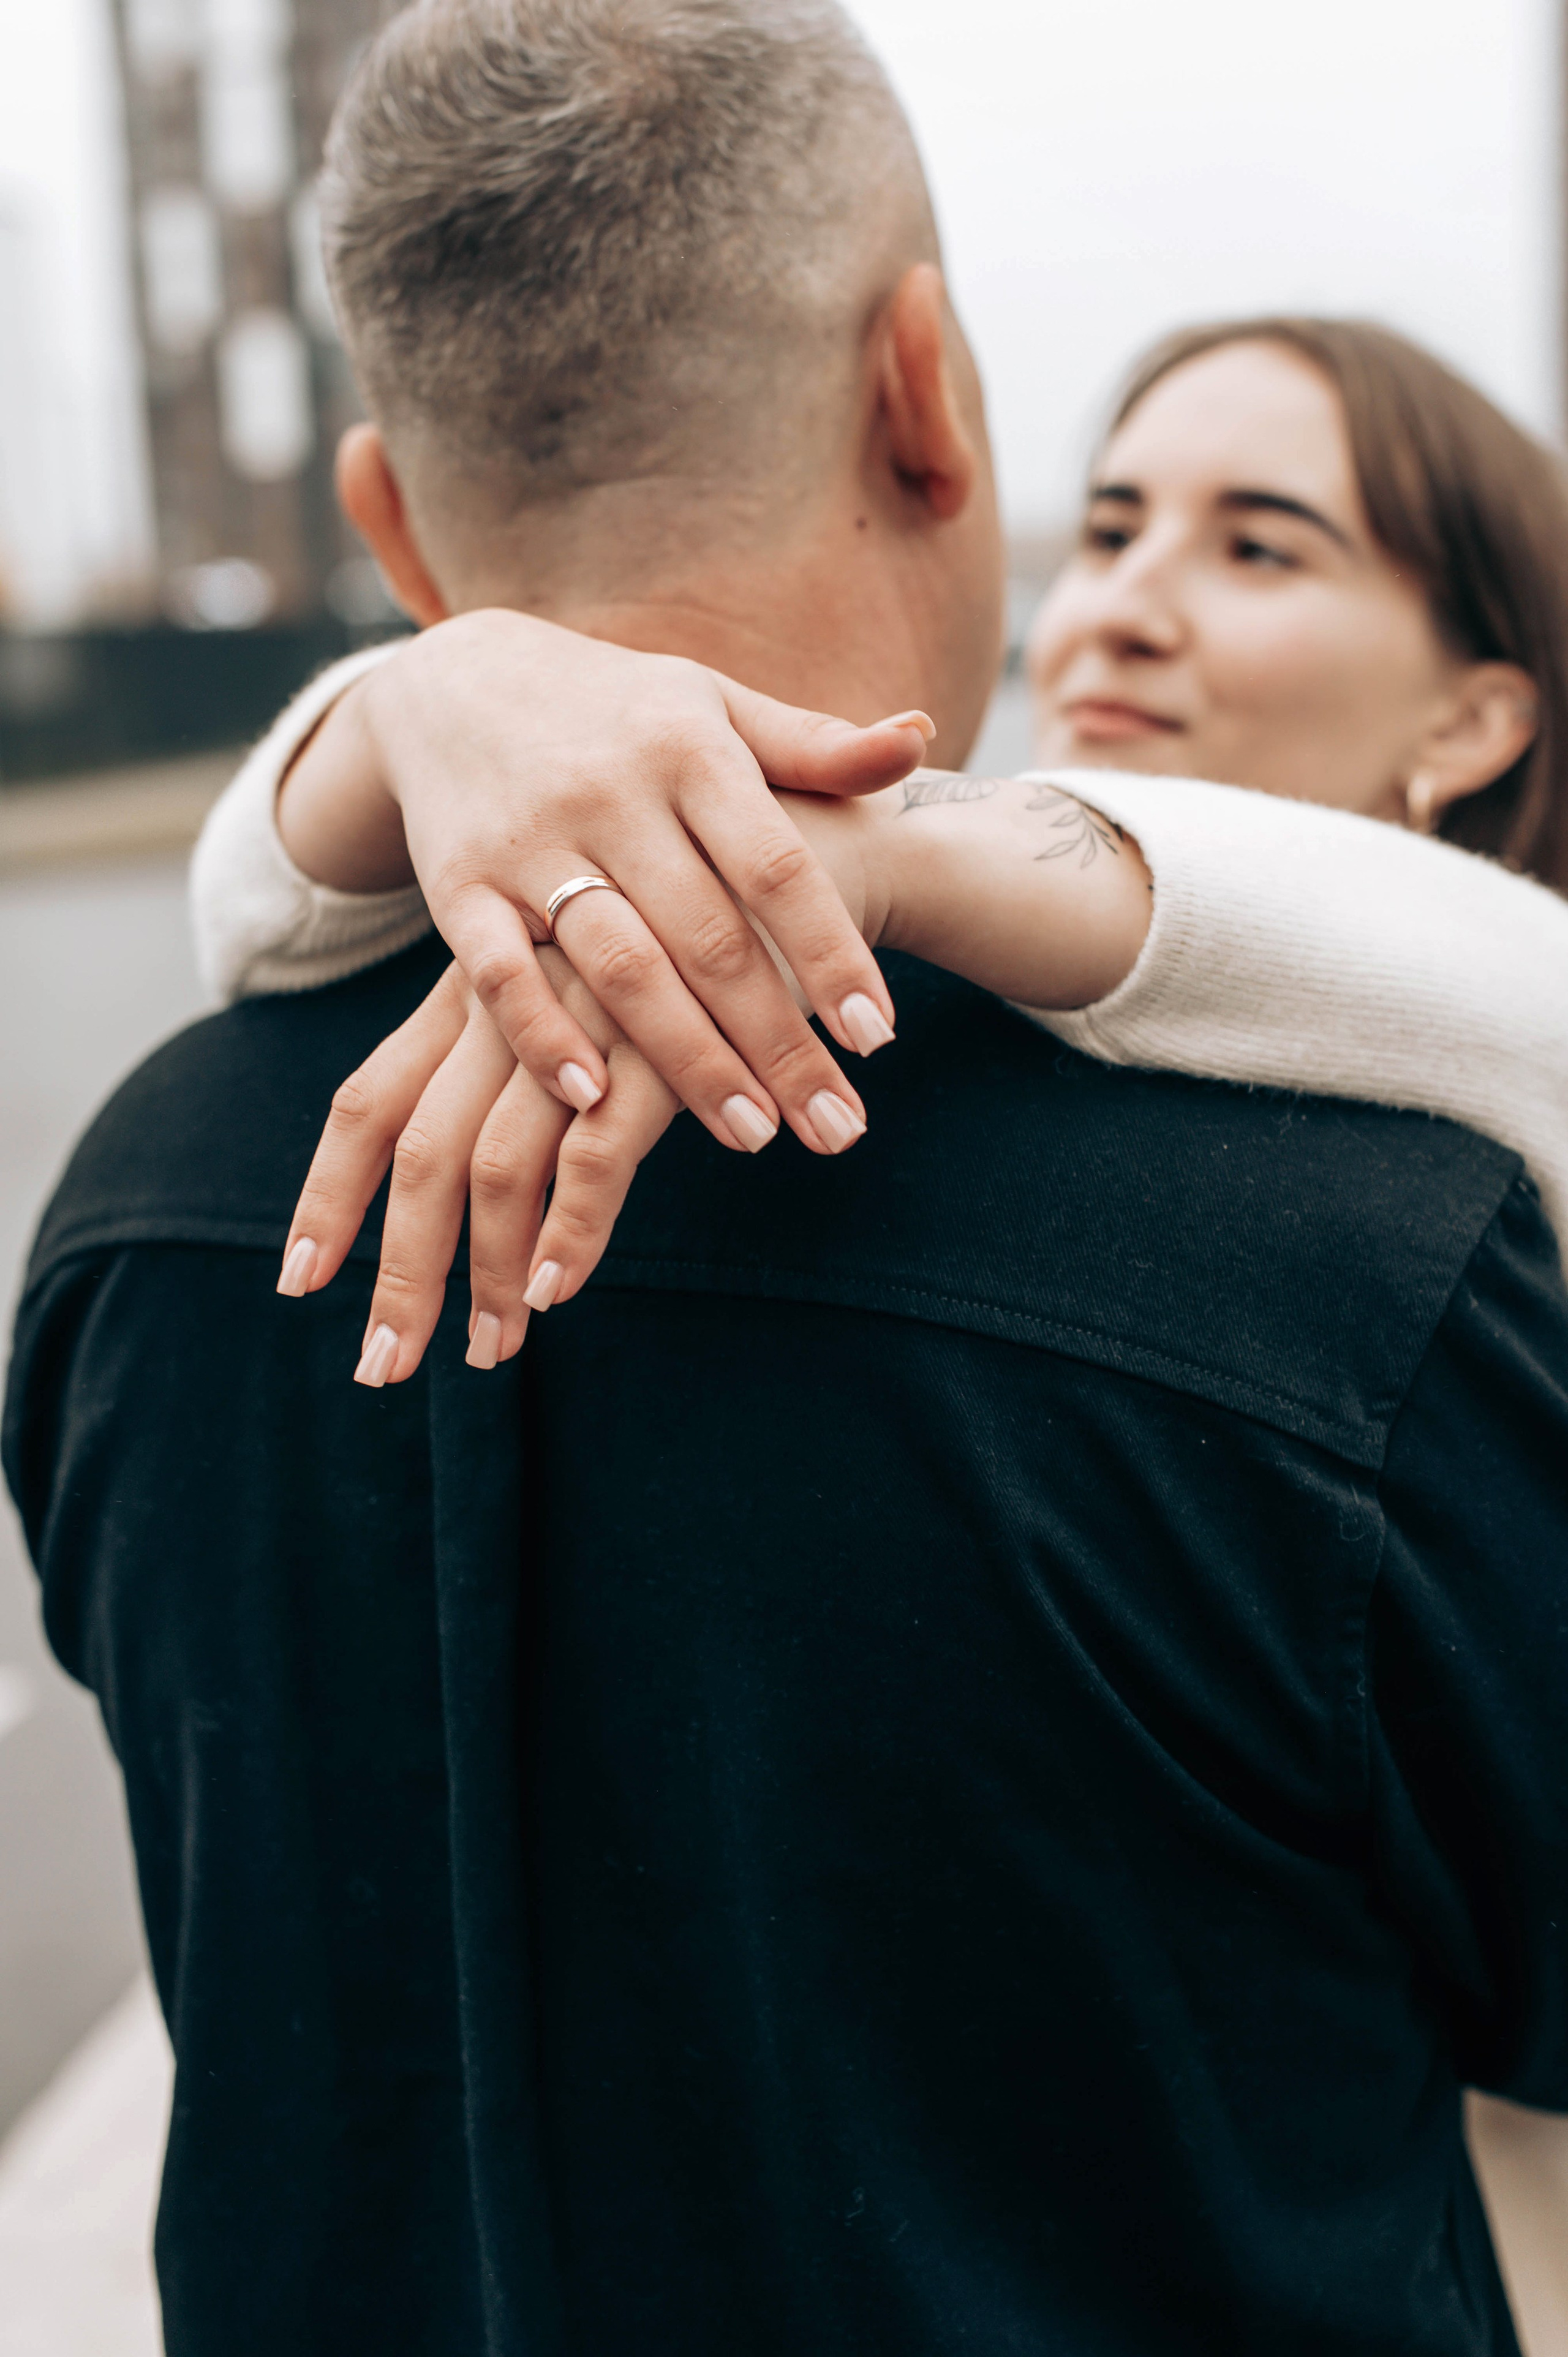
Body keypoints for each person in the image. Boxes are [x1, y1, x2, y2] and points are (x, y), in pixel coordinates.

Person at [6, 7, 1568, 2354]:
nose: (1131, 601)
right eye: (1119, 515)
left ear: (387, 521)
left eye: (1262, 538)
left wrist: (400, 711)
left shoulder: (140, 1207)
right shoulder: (1359, 1282)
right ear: (933, 395)